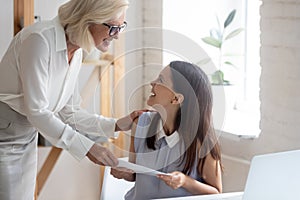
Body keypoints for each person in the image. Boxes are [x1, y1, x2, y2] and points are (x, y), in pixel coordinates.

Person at [0, 0, 141, 199]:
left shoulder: (76, 51)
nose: (117, 35)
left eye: (121, 27)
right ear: (89, 20)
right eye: (113, 27)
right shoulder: (39, 40)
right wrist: (87, 147)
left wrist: (117, 125)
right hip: (4, 137)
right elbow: (37, 112)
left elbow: (70, 111)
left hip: (27, 136)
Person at [111, 61, 223, 199]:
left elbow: (217, 193)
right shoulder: (140, 124)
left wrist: (185, 182)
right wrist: (124, 173)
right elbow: (134, 175)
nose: (152, 83)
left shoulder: (203, 141)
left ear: (176, 98)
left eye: (161, 80)